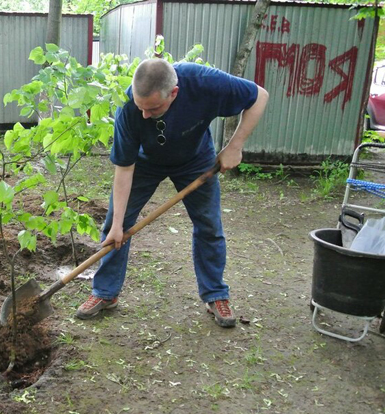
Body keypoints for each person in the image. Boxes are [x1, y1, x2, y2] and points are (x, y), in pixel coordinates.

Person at [76, 58, 269, 327]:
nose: (144, 114)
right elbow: (124, 169)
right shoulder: (129, 108)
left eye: (153, 108)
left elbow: (259, 96)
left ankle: (215, 294)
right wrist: (119, 224)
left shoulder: (203, 82)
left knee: (209, 226)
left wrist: (235, 146)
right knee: (114, 226)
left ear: (174, 93)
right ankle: (105, 293)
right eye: (141, 107)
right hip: (145, 163)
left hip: (195, 160)